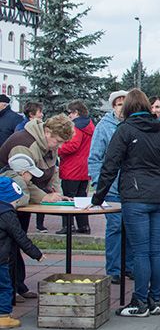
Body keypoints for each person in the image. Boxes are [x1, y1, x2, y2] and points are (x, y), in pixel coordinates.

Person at [92, 89, 160, 318]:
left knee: (140, 252)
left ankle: (139, 302)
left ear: (128, 107)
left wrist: (98, 197)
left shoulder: (125, 131)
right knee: (155, 250)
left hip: (135, 197)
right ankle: (154, 300)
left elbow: (110, 165)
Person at [0, 114, 73, 303]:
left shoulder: (49, 144)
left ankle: (17, 286)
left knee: (16, 241)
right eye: (57, 141)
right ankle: (9, 292)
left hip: (23, 199)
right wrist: (44, 197)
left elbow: (53, 169)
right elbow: (22, 180)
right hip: (10, 200)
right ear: (47, 132)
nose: (58, 146)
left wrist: (56, 190)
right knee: (11, 243)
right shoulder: (23, 144)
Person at [88, 90, 130, 284]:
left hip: (131, 187)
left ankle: (128, 266)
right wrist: (98, 182)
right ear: (113, 106)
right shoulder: (103, 127)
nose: (121, 107)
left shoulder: (132, 126)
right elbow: (95, 157)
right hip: (111, 187)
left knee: (130, 227)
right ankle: (113, 268)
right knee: (114, 227)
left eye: (124, 103)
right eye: (118, 103)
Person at [0, 176, 44, 329]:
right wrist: (36, 254)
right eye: (15, 201)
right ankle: (3, 316)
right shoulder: (7, 215)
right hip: (1, 260)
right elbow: (19, 236)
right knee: (5, 286)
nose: (16, 204)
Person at [56, 100, 94, 235]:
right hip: (84, 168)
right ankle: (84, 226)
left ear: (76, 112)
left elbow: (72, 146)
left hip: (72, 168)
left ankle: (68, 226)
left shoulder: (77, 127)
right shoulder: (89, 125)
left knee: (68, 198)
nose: (69, 116)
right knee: (82, 198)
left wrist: (57, 149)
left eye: (70, 113)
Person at [14, 102, 46, 232]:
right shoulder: (22, 129)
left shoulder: (40, 129)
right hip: (23, 171)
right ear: (32, 115)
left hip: (34, 171)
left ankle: (39, 225)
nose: (42, 114)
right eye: (40, 112)